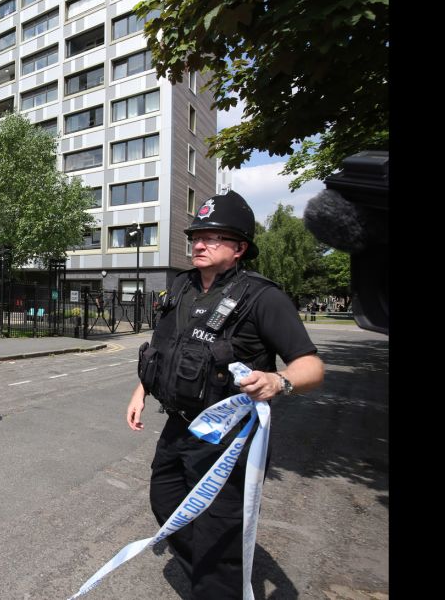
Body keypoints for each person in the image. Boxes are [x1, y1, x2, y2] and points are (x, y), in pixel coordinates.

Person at [126, 191, 324, 598]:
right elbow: (163, 349)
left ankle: (217, 584)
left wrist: (278, 381)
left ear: (240, 249)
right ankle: (211, 577)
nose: (199, 244)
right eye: (197, 236)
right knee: (167, 505)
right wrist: (140, 391)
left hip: (230, 437)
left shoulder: (262, 297)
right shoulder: (180, 287)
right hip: (180, 428)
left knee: (219, 532)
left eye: (214, 237)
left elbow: (311, 367)